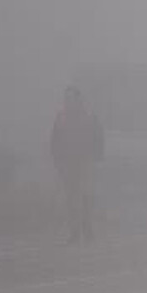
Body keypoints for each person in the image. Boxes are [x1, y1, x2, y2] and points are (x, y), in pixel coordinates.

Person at [50, 86, 103, 243]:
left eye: (72, 98)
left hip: (86, 161)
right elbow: (55, 139)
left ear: (79, 100)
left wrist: (96, 157)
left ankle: (87, 228)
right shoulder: (61, 117)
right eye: (67, 98)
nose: (69, 101)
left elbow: (98, 137)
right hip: (68, 162)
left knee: (86, 195)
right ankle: (75, 232)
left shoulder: (89, 117)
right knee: (71, 198)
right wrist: (57, 158)